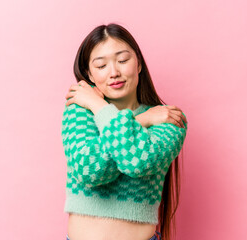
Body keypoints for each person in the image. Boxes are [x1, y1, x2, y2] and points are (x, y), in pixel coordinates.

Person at [61, 23, 188, 240]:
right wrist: (142, 120)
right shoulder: (80, 111)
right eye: (101, 66)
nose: (114, 72)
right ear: (89, 74)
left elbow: (137, 161)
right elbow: (90, 170)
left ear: (138, 63)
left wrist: (99, 106)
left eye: (122, 60)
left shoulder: (168, 119)